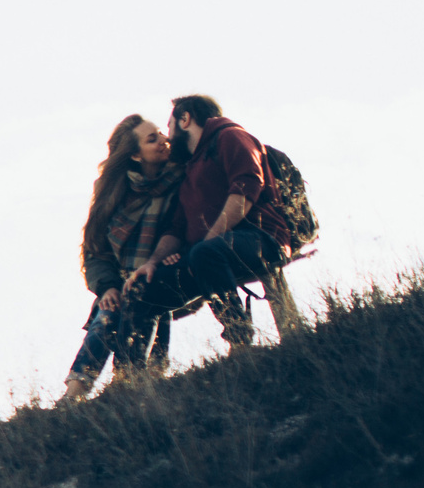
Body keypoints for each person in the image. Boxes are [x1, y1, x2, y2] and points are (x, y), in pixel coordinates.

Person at [124, 94, 291, 326]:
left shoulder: (230, 136)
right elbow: (177, 227)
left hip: (262, 240)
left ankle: (239, 336)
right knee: (142, 291)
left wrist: (206, 243)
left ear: (185, 119)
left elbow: (246, 189)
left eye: (169, 127)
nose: (168, 138)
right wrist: (153, 262)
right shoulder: (191, 167)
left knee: (205, 253)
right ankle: (134, 364)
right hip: (207, 256)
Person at [60, 113, 183, 403]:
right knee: (110, 309)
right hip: (123, 279)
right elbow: (95, 250)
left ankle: (128, 379)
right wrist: (106, 287)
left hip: (167, 269)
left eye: (160, 134)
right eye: (152, 139)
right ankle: (78, 392)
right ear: (135, 155)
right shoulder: (114, 192)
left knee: (146, 291)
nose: (164, 140)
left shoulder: (181, 178)